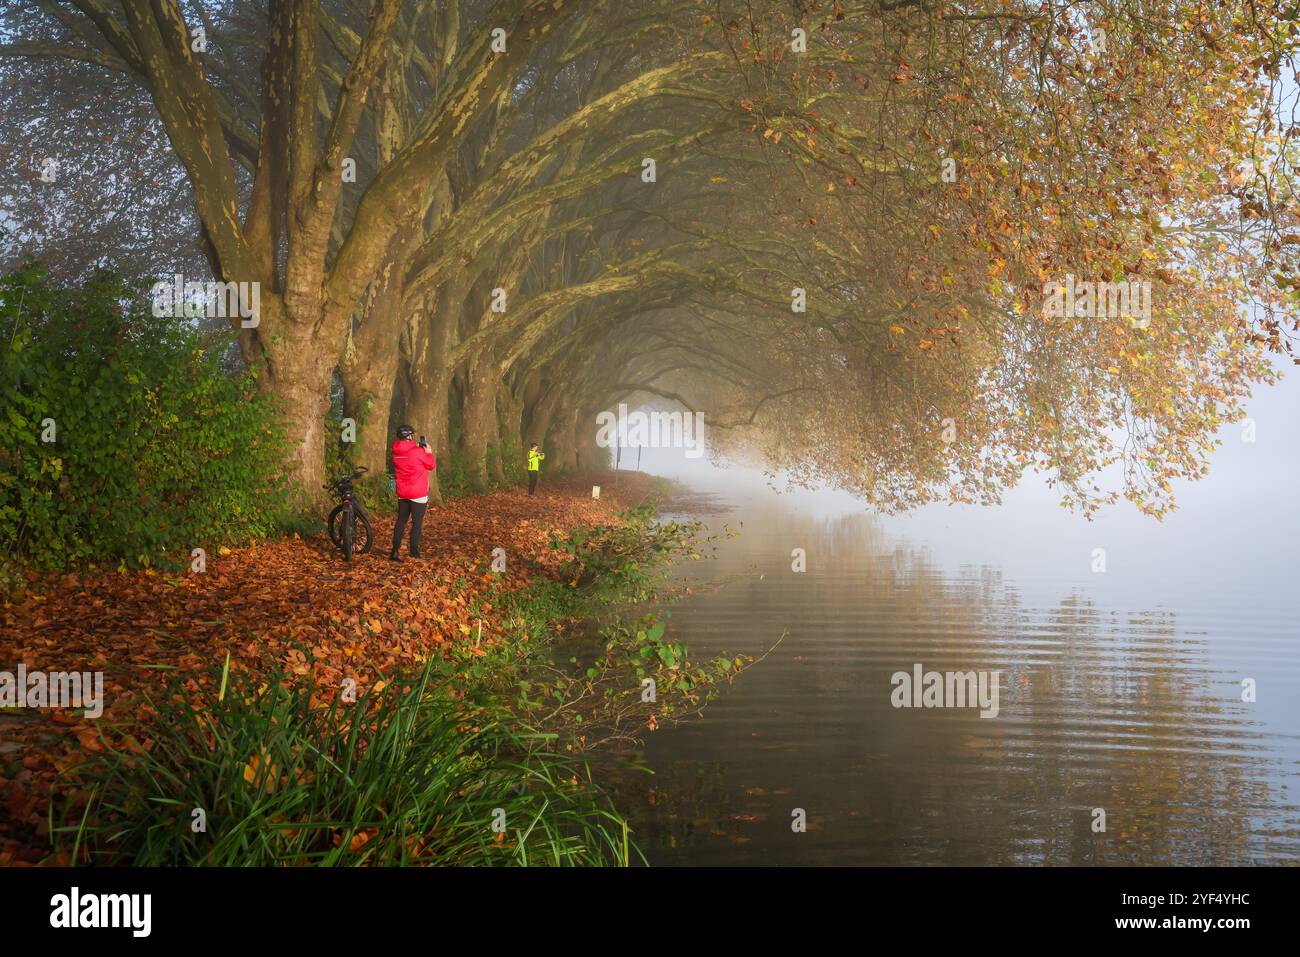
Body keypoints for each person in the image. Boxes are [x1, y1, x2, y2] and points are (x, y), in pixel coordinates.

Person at [390, 425, 436, 561]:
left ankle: (394, 551)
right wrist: (428, 452)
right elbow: (431, 465)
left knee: (401, 521)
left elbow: (406, 453)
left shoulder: (395, 451)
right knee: (417, 523)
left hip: (403, 492)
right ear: (409, 436)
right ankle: (414, 552)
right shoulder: (418, 452)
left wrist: (413, 446)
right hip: (418, 493)